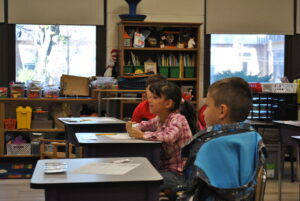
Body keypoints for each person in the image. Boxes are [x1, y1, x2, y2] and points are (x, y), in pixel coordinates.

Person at [181, 77, 266, 201]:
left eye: (207, 106)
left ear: (222, 111)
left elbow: (189, 186)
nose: (204, 113)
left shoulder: (205, 145)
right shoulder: (254, 138)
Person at [126, 81, 197, 199]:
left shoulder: (178, 119)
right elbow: (144, 125)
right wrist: (133, 127)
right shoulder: (160, 118)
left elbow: (168, 136)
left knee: (143, 182)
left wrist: (143, 135)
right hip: (166, 170)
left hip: (179, 174)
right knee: (141, 176)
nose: (150, 101)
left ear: (168, 103)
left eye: (154, 98)